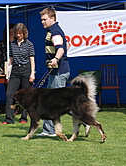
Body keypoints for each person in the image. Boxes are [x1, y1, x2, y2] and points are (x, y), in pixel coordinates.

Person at [37, 7, 70, 136]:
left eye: (44, 19)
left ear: (53, 18)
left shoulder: (55, 31)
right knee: (52, 101)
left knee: (56, 103)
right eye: (41, 20)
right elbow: (64, 46)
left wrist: (56, 58)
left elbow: (60, 49)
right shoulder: (52, 30)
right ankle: (49, 130)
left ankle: (85, 120)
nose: (42, 22)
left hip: (58, 72)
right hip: (55, 72)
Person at [0, 23, 35, 125]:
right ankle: (9, 118)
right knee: (9, 93)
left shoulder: (29, 44)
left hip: (26, 69)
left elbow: (32, 59)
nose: (19, 35)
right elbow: (10, 60)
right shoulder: (12, 44)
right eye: (17, 33)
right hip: (15, 70)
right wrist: (8, 74)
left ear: (24, 33)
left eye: (20, 33)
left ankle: (24, 117)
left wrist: (32, 73)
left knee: (26, 95)